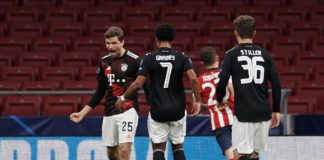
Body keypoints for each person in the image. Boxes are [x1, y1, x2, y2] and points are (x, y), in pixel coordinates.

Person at [115, 23, 201, 160]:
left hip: (158, 110)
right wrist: (197, 101)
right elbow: (194, 79)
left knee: (158, 149)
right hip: (178, 110)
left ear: (156, 39)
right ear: (173, 40)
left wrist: (123, 98)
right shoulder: (182, 57)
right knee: (178, 147)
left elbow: (138, 84)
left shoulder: (149, 58)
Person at [70, 26, 143, 160]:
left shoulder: (135, 60)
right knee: (111, 151)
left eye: (114, 43)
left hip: (128, 110)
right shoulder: (104, 61)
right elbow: (100, 91)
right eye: (108, 43)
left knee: (124, 149)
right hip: (109, 111)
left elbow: (146, 86)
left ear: (122, 42)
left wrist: (153, 108)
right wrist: (82, 113)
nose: (110, 46)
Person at [216, 15, 282, 160]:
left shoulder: (231, 55)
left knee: (239, 154)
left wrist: (220, 99)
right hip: (263, 112)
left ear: (235, 33)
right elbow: (276, 84)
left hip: (244, 112)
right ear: (254, 33)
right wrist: (277, 110)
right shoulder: (265, 54)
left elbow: (222, 82)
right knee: (254, 153)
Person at [197, 47, 234, 160]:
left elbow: (196, 106)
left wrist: (210, 106)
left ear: (202, 63)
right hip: (235, 118)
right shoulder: (226, 74)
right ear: (217, 58)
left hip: (218, 123)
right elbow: (234, 93)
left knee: (230, 155)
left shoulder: (200, 80)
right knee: (243, 153)